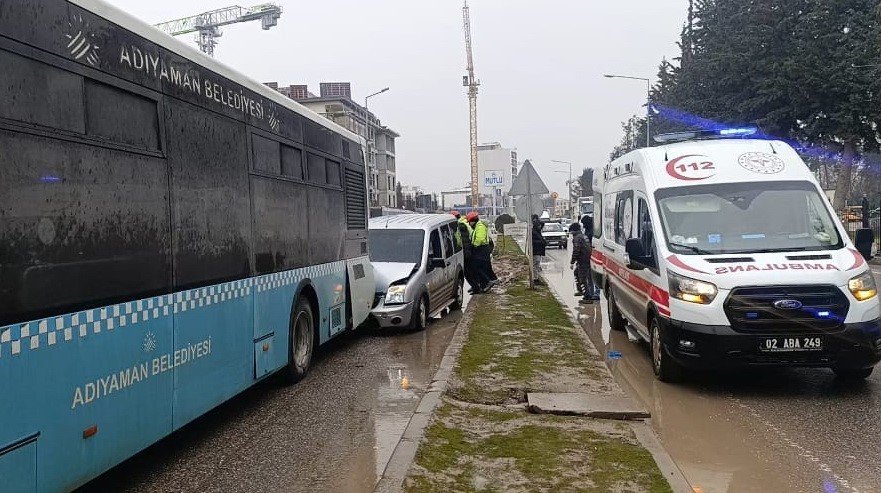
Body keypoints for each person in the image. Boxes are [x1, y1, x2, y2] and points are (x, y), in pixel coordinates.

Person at [452, 211, 480, 294]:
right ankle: (475, 286)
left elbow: (465, 241)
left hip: (466, 251)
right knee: (472, 270)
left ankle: (475, 287)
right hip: (469, 250)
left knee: (467, 272)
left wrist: (465, 253)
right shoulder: (463, 223)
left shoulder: (460, 225)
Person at [468, 212, 497, 291]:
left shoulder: (480, 226)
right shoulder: (477, 226)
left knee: (478, 267)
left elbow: (480, 239)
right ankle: (484, 284)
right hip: (482, 249)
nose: (469, 224)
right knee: (482, 266)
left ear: (473, 221)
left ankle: (488, 281)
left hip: (481, 249)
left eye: (469, 222)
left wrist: (474, 245)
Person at [569, 222, 595, 304]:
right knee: (577, 273)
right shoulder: (583, 236)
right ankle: (581, 290)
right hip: (587, 259)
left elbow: (576, 250)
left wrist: (572, 262)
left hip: (583, 260)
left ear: (574, 230)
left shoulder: (577, 238)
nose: (570, 233)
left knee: (582, 278)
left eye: (571, 231)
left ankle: (587, 297)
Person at [531, 215, 546, 284]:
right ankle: (535, 279)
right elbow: (532, 241)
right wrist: (541, 242)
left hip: (538, 250)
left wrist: (537, 219)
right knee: (535, 264)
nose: (540, 227)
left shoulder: (538, 231)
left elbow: (543, 223)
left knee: (537, 265)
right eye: (539, 225)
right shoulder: (533, 232)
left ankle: (536, 278)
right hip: (536, 250)